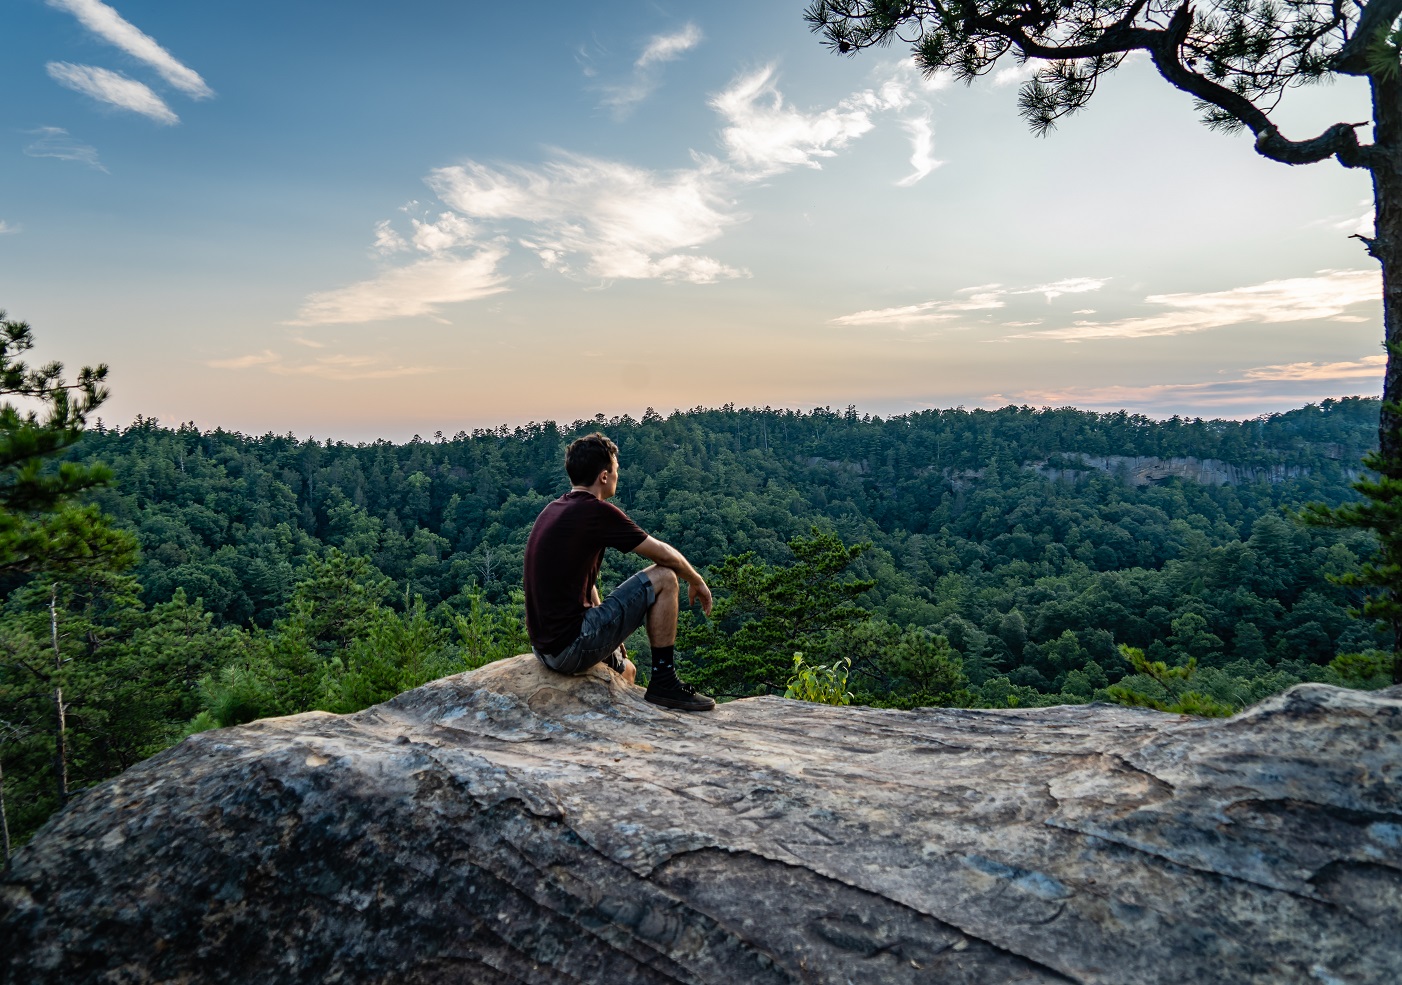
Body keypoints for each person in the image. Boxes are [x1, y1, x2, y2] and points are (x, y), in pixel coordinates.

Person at [522, 432, 716, 711]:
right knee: (665, 577)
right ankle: (665, 681)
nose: (617, 475)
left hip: (545, 648)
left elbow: (583, 582)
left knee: (628, 671)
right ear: (603, 476)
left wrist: (612, 637)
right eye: (616, 470)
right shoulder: (597, 512)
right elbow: (662, 553)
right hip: (570, 647)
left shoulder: (554, 509)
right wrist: (696, 579)